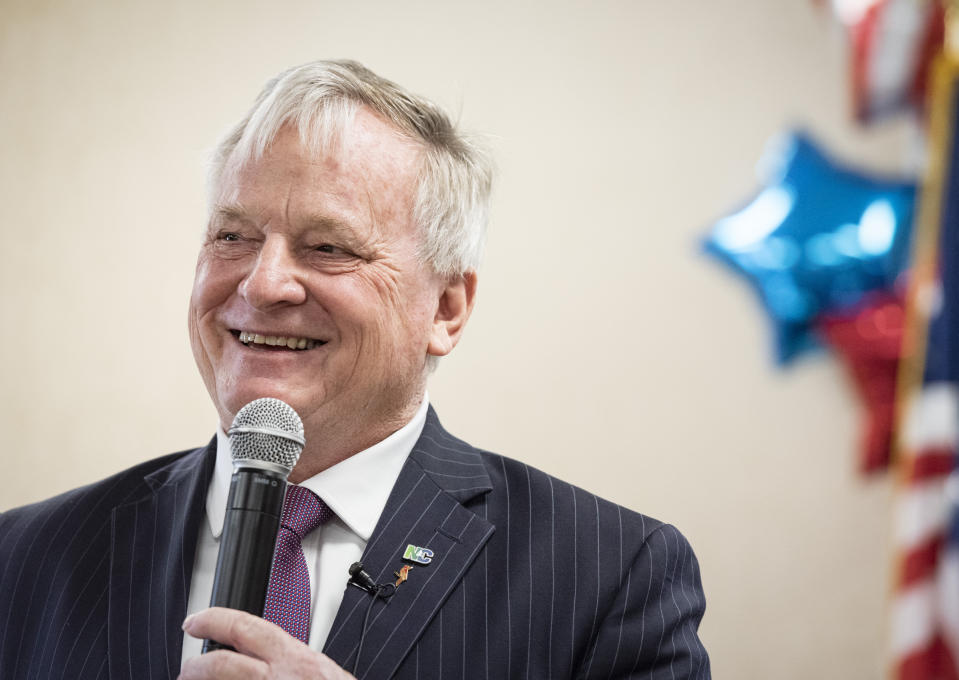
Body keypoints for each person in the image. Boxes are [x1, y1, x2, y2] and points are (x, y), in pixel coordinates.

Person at [0, 59, 710, 679]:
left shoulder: (609, 575)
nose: (262, 284)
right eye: (232, 237)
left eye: (328, 247)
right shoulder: (25, 558)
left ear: (447, 309)